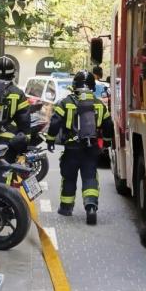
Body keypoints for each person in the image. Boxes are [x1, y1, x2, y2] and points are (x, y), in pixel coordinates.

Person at [45, 70, 113, 225]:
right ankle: (91, 207)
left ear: (74, 85)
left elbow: (55, 122)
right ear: (92, 86)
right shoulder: (98, 104)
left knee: (69, 178)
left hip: (71, 149)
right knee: (90, 177)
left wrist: (50, 140)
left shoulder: (66, 102)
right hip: (90, 149)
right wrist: (107, 142)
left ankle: (66, 208)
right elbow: (108, 124)